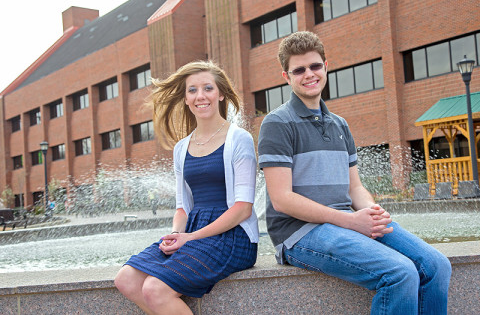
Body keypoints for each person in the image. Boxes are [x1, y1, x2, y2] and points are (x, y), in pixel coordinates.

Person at [258, 31, 451, 315]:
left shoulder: (340, 125)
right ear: (286, 77)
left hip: (343, 223)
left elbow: (355, 188)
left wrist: (372, 212)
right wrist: (350, 221)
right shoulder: (277, 123)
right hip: (300, 235)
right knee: (399, 273)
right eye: (299, 70)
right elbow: (282, 199)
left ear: (326, 66)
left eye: (315, 66)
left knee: (436, 266)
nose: (309, 74)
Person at [115, 60, 259, 315]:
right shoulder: (181, 148)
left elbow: (243, 209)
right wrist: (174, 235)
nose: (200, 96)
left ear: (221, 93)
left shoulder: (240, 139)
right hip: (193, 231)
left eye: (207, 88)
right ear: (184, 98)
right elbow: (183, 207)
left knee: (155, 288)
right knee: (125, 279)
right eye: (192, 90)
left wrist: (190, 238)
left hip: (234, 236)